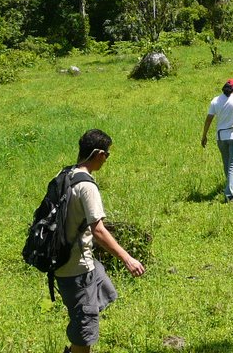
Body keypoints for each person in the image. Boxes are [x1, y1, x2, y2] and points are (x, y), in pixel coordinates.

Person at [53, 129, 146, 353]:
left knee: (105, 289)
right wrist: (128, 259)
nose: (106, 159)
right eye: (107, 154)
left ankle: (86, 313)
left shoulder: (63, 174)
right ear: (99, 154)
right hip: (77, 269)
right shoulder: (87, 186)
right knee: (84, 334)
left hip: (65, 260)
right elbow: (99, 231)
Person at [201, 78, 233, 202]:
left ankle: (231, 186)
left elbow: (208, 119)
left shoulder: (215, 100)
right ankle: (230, 194)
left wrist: (204, 135)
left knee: (227, 164)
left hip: (221, 137)